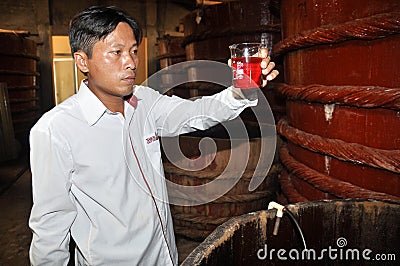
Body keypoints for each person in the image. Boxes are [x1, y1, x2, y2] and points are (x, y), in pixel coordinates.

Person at [28, 5, 279, 265]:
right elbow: (50, 228)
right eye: (117, 52)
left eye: (133, 51)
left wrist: (243, 90)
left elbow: (199, 113)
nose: (131, 62)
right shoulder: (56, 130)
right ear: (82, 61)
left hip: (163, 255)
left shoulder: (144, 101)